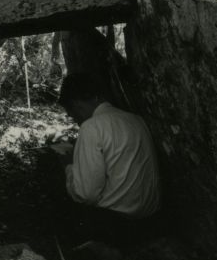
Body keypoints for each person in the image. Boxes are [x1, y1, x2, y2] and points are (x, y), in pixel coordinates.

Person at [53, 73, 162, 246]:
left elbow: (86, 194)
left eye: (73, 115)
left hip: (117, 224)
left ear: (77, 105)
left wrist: (68, 167)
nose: (77, 121)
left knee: (62, 197)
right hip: (150, 219)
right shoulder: (135, 119)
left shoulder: (91, 127)